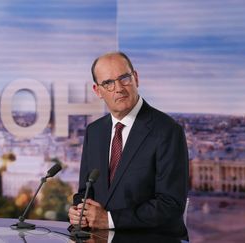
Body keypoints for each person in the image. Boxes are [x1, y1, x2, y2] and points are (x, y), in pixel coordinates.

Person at [68, 52, 189, 239]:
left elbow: (170, 204)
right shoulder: (94, 131)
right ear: (97, 91)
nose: (118, 89)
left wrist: (109, 220)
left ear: (136, 78)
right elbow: (86, 190)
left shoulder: (167, 131)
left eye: (124, 78)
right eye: (108, 83)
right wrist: (80, 211)